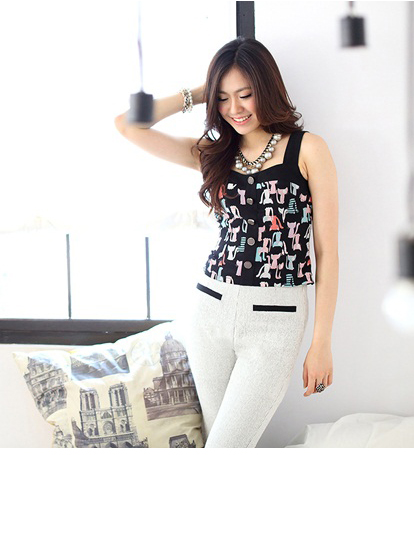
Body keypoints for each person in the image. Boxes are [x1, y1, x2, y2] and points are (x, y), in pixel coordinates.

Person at [115, 37, 339, 448]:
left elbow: (326, 252)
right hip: (210, 310)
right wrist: (200, 92)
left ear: (266, 88)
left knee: (225, 449)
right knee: (221, 443)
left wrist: (321, 342)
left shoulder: (308, 149)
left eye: (245, 94)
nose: (234, 108)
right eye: (223, 98)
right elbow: (128, 124)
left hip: (277, 318)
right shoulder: (212, 152)